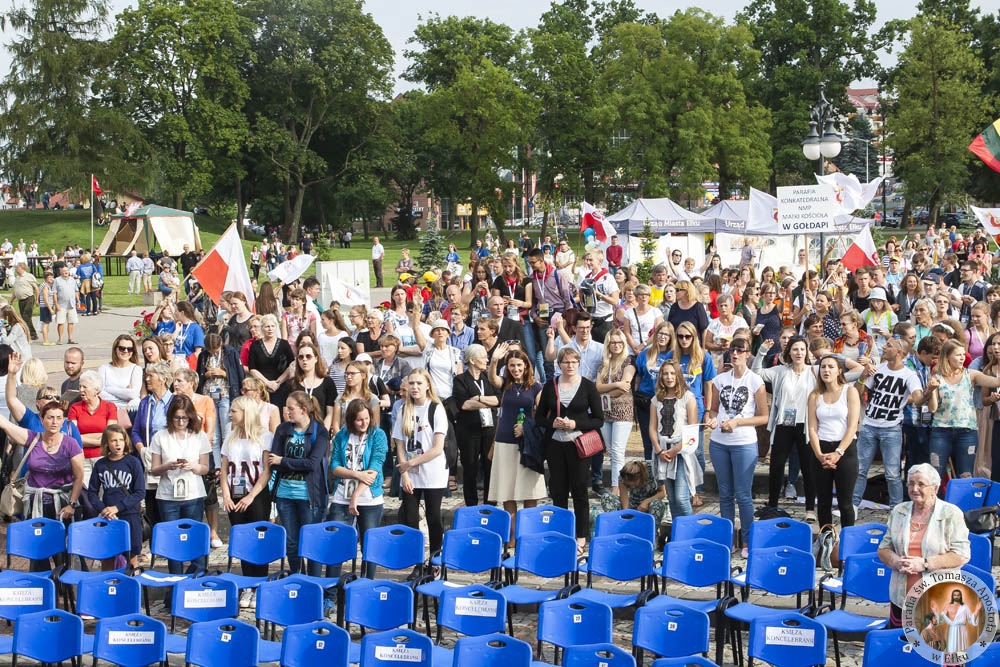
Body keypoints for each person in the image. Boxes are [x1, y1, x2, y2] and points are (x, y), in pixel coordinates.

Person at [878, 463, 970, 628]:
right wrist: (896, 561)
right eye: (911, 484)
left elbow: (961, 555)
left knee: (934, 642)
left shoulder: (951, 513)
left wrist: (925, 563)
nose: (914, 489)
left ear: (935, 488)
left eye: (921, 484)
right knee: (900, 643)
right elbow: (883, 549)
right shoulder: (899, 511)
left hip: (939, 598)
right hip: (901, 598)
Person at [536, 347, 604, 555]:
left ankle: (581, 537)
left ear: (579, 363)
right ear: (559, 364)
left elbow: (598, 420)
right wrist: (552, 423)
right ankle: (561, 534)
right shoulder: (551, 385)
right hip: (555, 444)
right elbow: (539, 417)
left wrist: (576, 424)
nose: (570, 366)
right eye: (566, 362)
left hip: (579, 445)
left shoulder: (588, 386)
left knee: (580, 491)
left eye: (574, 362)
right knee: (558, 491)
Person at [0, 401, 84, 569]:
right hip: (35, 505)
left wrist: (72, 504)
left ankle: (63, 583)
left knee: (62, 555)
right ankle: (40, 582)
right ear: (42, 419)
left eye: (59, 418)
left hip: (61, 505)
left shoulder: (70, 444)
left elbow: (79, 476)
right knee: (38, 552)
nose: (55, 422)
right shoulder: (33, 438)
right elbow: (6, 424)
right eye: (50, 417)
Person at [705, 338, 768, 557]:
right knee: (724, 493)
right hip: (719, 442)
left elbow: (763, 417)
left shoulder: (755, 381)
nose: (735, 354)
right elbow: (713, 409)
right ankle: (728, 538)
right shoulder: (720, 379)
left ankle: (747, 540)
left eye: (740, 350)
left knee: (743, 494)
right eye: (732, 350)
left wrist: (738, 422)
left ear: (748, 354)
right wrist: (712, 419)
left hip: (744, 442)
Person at [753, 336, 818, 521]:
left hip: (805, 424)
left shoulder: (813, 371)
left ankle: (810, 509)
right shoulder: (781, 371)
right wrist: (762, 351)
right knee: (777, 465)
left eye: (802, 349)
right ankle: (773, 506)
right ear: (789, 351)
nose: (799, 353)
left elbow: (844, 373)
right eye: (795, 349)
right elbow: (757, 372)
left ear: (807, 352)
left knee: (808, 467)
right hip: (784, 423)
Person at [486, 349, 545, 547]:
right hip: (504, 441)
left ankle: (527, 535)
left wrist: (526, 426)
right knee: (507, 491)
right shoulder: (506, 384)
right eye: (512, 365)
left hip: (526, 444)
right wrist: (494, 360)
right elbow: (492, 378)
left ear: (526, 366)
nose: (516, 369)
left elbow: (542, 416)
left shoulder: (536, 387)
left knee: (528, 493)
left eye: (519, 365)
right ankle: (512, 535)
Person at [267, 390, 330, 576]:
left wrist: (284, 461)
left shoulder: (319, 431)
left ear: (303, 409)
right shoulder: (282, 429)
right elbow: (273, 462)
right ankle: (297, 576)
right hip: (285, 494)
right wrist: (287, 463)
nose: (287, 411)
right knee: (292, 541)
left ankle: (314, 580)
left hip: (309, 496)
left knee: (311, 541)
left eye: (291, 408)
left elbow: (312, 464)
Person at [219, 396, 273, 609]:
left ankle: (259, 585)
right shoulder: (230, 437)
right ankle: (247, 584)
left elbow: (266, 471)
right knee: (242, 542)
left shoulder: (264, 436)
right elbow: (224, 469)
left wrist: (251, 496)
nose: (230, 414)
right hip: (235, 494)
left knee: (258, 541)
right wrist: (225, 494)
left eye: (234, 411)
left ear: (245, 413)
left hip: (256, 495)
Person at [926, 339, 1000, 482]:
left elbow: (996, 382)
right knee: (935, 474)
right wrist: (931, 390)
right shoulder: (937, 377)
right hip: (941, 431)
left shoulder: (971, 374)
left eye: (963, 355)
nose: (962, 358)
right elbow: (933, 408)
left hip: (967, 432)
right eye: (958, 355)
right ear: (947, 356)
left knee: (966, 475)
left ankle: (964, 498)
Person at [329, 398, 387, 579]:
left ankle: (366, 584)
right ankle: (331, 588)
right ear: (351, 420)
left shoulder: (378, 435)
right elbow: (335, 466)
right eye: (359, 420)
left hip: (369, 497)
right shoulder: (342, 435)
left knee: (369, 545)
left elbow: (374, 468)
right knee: (336, 542)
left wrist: (355, 496)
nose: (364, 423)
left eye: (367, 419)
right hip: (342, 494)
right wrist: (356, 474)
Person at [393, 369, 449, 558]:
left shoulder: (436, 408)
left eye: (419, 383)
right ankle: (416, 560)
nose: (415, 387)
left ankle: (435, 559)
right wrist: (405, 473)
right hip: (411, 473)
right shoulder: (403, 409)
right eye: (411, 383)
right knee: (410, 517)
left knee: (433, 517)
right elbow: (400, 444)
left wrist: (411, 463)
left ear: (427, 386)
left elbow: (437, 448)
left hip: (433, 471)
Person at [808, 354, 861, 529]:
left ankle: (847, 539)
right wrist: (819, 454)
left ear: (839, 371)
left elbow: (852, 426)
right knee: (823, 502)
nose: (826, 370)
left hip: (844, 449)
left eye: (831, 367)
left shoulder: (849, 391)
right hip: (822, 448)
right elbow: (812, 428)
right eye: (823, 367)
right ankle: (826, 539)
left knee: (845, 503)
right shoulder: (815, 395)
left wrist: (838, 452)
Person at [84, 425, 145, 569]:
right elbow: (92, 492)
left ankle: (132, 583)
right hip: (108, 517)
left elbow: (140, 492)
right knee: (107, 558)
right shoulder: (100, 464)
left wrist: (117, 508)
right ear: (106, 443)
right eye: (113, 440)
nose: (118, 444)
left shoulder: (133, 462)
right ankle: (108, 583)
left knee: (132, 560)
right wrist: (103, 509)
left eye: (121, 440)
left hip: (130, 515)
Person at [649, 360, 699, 519]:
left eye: (672, 373)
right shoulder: (656, 399)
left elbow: (692, 429)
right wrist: (659, 450)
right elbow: (652, 428)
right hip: (663, 450)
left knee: (681, 498)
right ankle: (678, 529)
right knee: (671, 498)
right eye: (665, 374)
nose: (669, 377)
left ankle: (689, 528)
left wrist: (674, 450)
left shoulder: (688, 397)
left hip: (681, 450)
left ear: (678, 375)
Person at [452, 344, 499, 508]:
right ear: (472, 360)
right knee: (470, 468)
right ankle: (471, 504)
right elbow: (464, 405)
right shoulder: (460, 380)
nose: (486, 360)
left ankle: (490, 503)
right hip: (468, 430)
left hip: (489, 428)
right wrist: (488, 402)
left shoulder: (489, 378)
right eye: (483, 357)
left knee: (490, 466)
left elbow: (498, 400)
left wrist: (478, 398)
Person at [595, 329, 635, 496]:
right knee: (611, 451)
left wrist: (605, 393)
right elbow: (597, 387)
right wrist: (615, 384)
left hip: (622, 411)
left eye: (619, 342)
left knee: (618, 450)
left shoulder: (628, 362)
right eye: (613, 342)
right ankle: (617, 484)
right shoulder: (604, 364)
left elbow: (624, 388)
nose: (616, 345)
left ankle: (617, 487)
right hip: (606, 411)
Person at [67, 370, 119, 484]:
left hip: (104, 457)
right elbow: (72, 437)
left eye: (85, 387)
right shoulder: (74, 408)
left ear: (96, 390)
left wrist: (82, 437)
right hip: (82, 458)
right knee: (84, 490)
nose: (81, 390)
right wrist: (100, 439)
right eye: (80, 386)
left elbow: (111, 435)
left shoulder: (110, 407)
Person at [633, 321, 675, 461]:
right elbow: (638, 378)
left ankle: (665, 472)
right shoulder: (644, 354)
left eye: (666, 334)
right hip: (646, 401)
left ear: (671, 337)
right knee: (648, 441)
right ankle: (650, 471)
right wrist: (635, 399)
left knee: (666, 440)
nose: (662, 337)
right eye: (660, 333)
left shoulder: (673, 355)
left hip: (666, 402)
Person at [248, 314, 295, 404]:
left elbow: (291, 364)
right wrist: (267, 383)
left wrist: (278, 383)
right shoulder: (255, 345)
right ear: (262, 328)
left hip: (281, 386)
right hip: (261, 387)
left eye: (272, 326)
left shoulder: (284, 344)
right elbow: (252, 368)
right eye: (267, 326)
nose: (270, 329)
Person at [98, 334, 143, 418]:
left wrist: (108, 389)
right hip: (106, 411)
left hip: (128, 414)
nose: (126, 351)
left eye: (130, 349)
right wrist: (125, 396)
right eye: (122, 348)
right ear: (115, 349)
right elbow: (100, 394)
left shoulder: (136, 369)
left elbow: (133, 394)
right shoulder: (104, 368)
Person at [618, 283, 662, 355]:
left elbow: (657, 332)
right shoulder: (629, 312)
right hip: (632, 349)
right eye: (641, 294)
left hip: (650, 349)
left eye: (646, 294)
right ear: (636, 296)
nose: (644, 297)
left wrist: (643, 345)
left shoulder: (656, 311)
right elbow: (627, 332)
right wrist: (634, 348)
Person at [10, 262, 38, 341]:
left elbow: (36, 288)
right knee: (23, 318)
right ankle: (26, 333)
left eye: (17, 268)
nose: (16, 269)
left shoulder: (29, 276)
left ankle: (33, 333)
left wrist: (37, 299)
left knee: (26, 316)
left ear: (22, 268)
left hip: (29, 298)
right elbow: (15, 291)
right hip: (21, 300)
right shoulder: (17, 278)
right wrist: (11, 300)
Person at [38, 270, 55, 346]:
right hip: (46, 307)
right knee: (45, 324)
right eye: (49, 277)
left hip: (46, 306)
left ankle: (46, 339)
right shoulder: (45, 286)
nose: (51, 279)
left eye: (52, 277)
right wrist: (50, 309)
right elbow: (45, 299)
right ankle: (45, 340)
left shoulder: (46, 285)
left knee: (46, 323)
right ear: (46, 278)